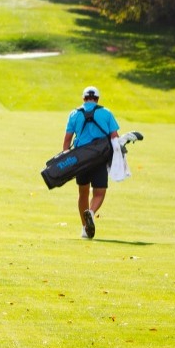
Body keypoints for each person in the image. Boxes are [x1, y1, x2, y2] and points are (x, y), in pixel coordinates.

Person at [63, 85, 120, 239]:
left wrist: (65, 160)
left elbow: (67, 141)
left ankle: (83, 228)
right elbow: (115, 137)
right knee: (99, 192)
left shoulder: (74, 113)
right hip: (99, 158)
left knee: (83, 192)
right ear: (97, 99)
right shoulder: (106, 113)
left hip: (81, 159)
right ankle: (92, 212)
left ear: (83, 98)